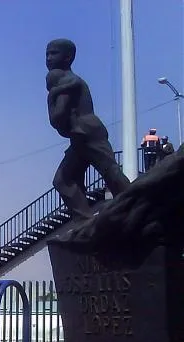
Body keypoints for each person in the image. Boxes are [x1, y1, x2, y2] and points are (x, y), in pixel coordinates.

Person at [45, 39, 131, 221]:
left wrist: (51, 96)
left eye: (54, 53)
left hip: (87, 132)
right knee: (63, 180)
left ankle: (136, 206)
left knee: (111, 172)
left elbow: (58, 116)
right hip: (79, 137)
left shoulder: (66, 80)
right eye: (47, 54)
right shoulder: (68, 81)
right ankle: (86, 222)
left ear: (68, 57)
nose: (48, 58)